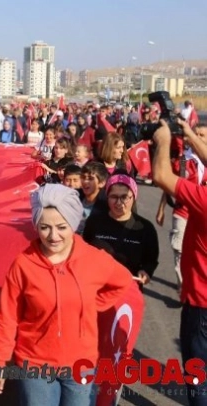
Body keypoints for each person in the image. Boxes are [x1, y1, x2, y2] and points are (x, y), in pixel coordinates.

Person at [0, 184, 133, 405]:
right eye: (44, 227)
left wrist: (93, 304)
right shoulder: (23, 265)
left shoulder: (94, 259)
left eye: (62, 227)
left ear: (73, 224)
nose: (53, 236)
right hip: (35, 364)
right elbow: (7, 316)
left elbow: (122, 281)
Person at [152, 119, 207, 405]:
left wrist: (163, 139)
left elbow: (161, 175)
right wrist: (191, 137)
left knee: (198, 376)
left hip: (201, 305)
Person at [83, 174, 159, 290]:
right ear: (107, 197)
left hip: (129, 289)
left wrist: (146, 271)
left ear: (134, 197)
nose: (119, 203)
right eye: (114, 197)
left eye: (124, 197)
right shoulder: (94, 221)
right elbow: (84, 249)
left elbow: (151, 260)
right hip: (96, 287)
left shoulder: (145, 228)